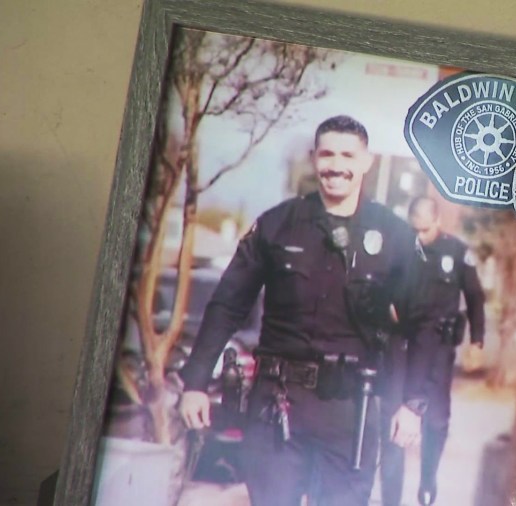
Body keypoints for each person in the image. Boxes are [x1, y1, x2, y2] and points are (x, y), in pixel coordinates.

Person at [177, 115, 436, 506]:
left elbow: (424, 323)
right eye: (327, 154)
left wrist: (413, 403)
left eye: (348, 155)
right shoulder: (278, 224)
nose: (336, 165)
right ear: (315, 158)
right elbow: (227, 304)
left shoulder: (394, 235)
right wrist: (196, 382)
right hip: (278, 406)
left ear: (366, 162)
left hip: (351, 411)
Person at [380, 196, 486, 506]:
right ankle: (391, 497)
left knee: (436, 421)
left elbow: (476, 298)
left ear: (437, 222)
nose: (419, 237)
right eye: (414, 230)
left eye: (424, 230)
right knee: (395, 417)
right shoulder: (403, 251)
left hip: (438, 349)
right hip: (404, 345)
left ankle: (428, 480)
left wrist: (477, 342)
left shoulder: (456, 252)